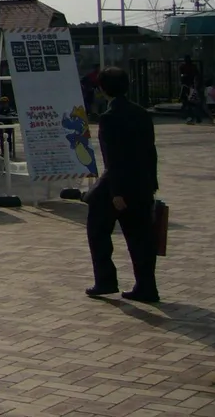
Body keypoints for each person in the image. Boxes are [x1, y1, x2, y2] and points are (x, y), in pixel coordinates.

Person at [85, 66, 159, 303]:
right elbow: (151, 151)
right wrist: (152, 183)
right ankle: (147, 287)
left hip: (118, 186)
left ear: (103, 89)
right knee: (141, 237)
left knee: (97, 229)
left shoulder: (109, 118)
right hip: (143, 183)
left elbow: (112, 158)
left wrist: (116, 192)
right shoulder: (141, 113)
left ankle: (105, 280)